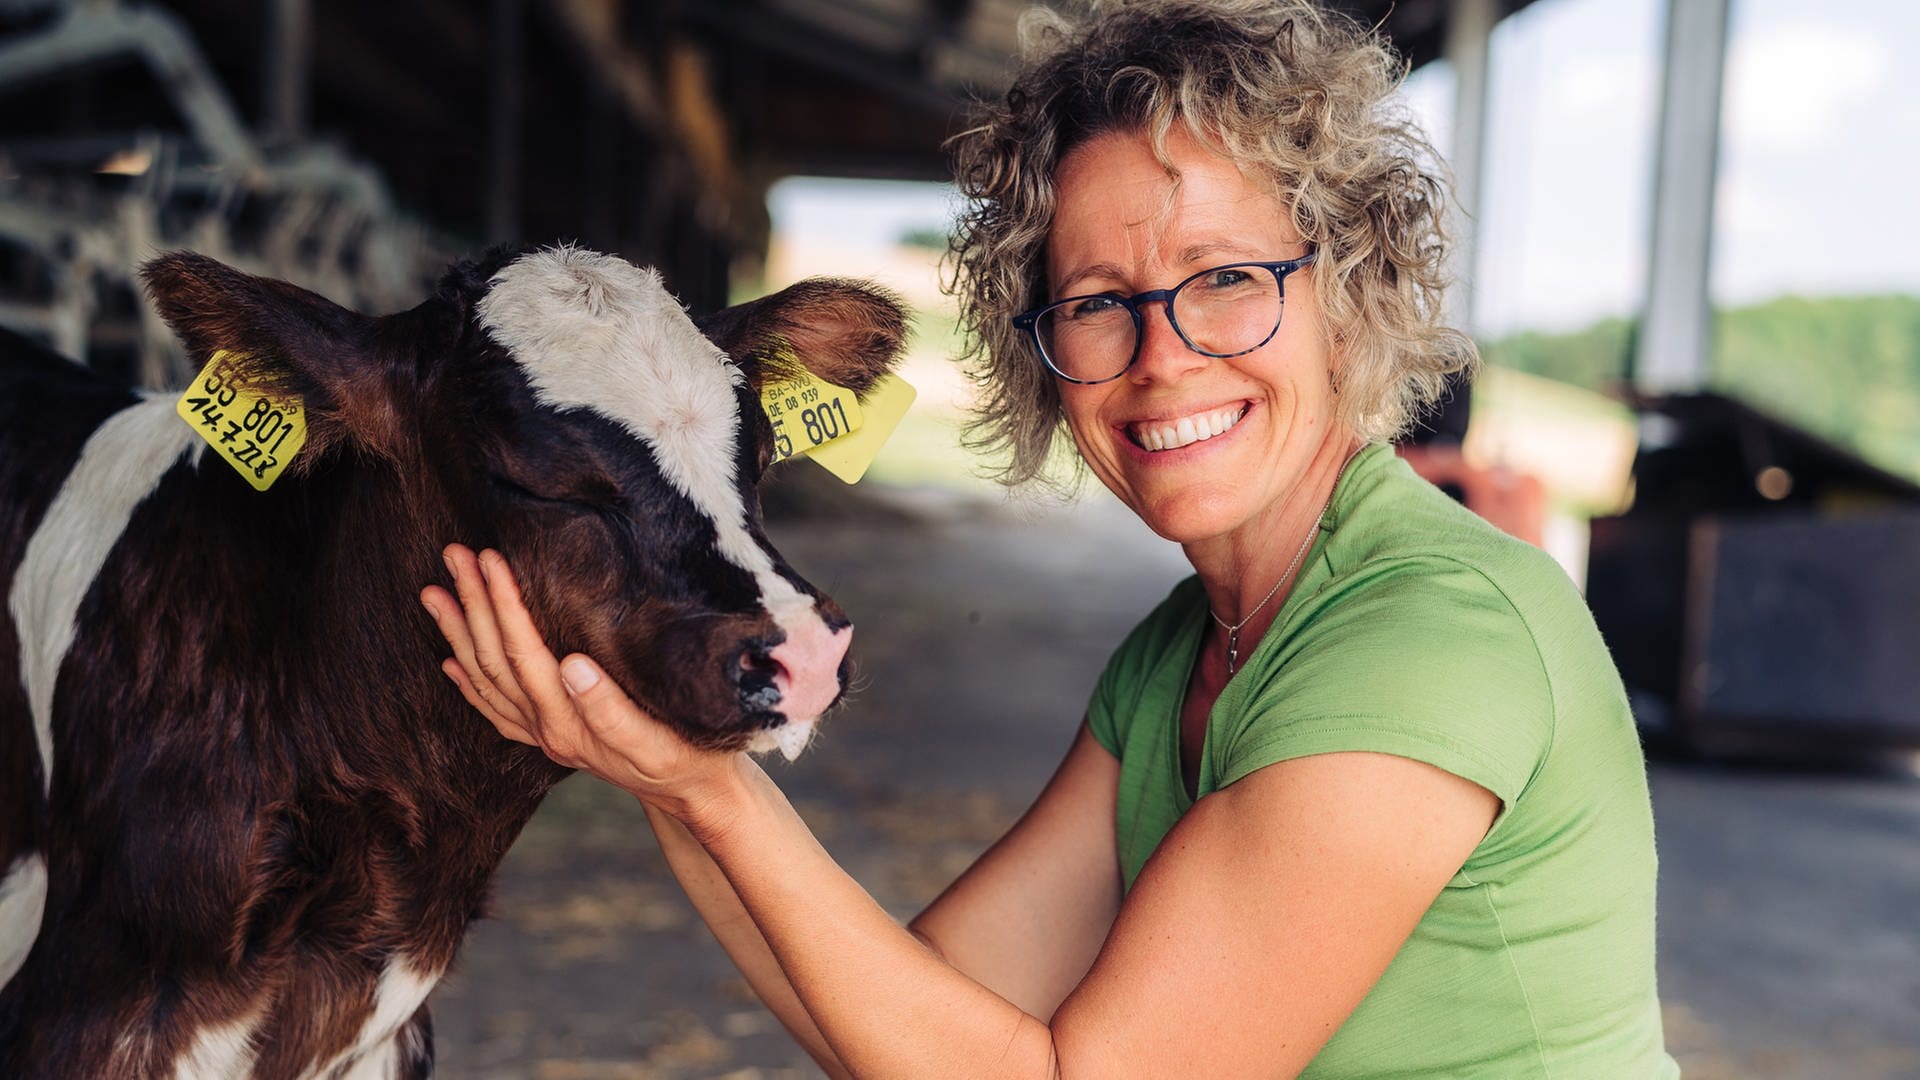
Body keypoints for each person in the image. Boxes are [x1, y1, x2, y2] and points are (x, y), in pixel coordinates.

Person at [420, 1, 1679, 1074]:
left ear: (1348, 297)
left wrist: (706, 790)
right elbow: (900, 1015)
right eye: (1095, 304)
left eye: (1228, 278)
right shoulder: (1180, 648)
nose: (1161, 356)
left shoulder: (1430, 639)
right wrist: (672, 768)